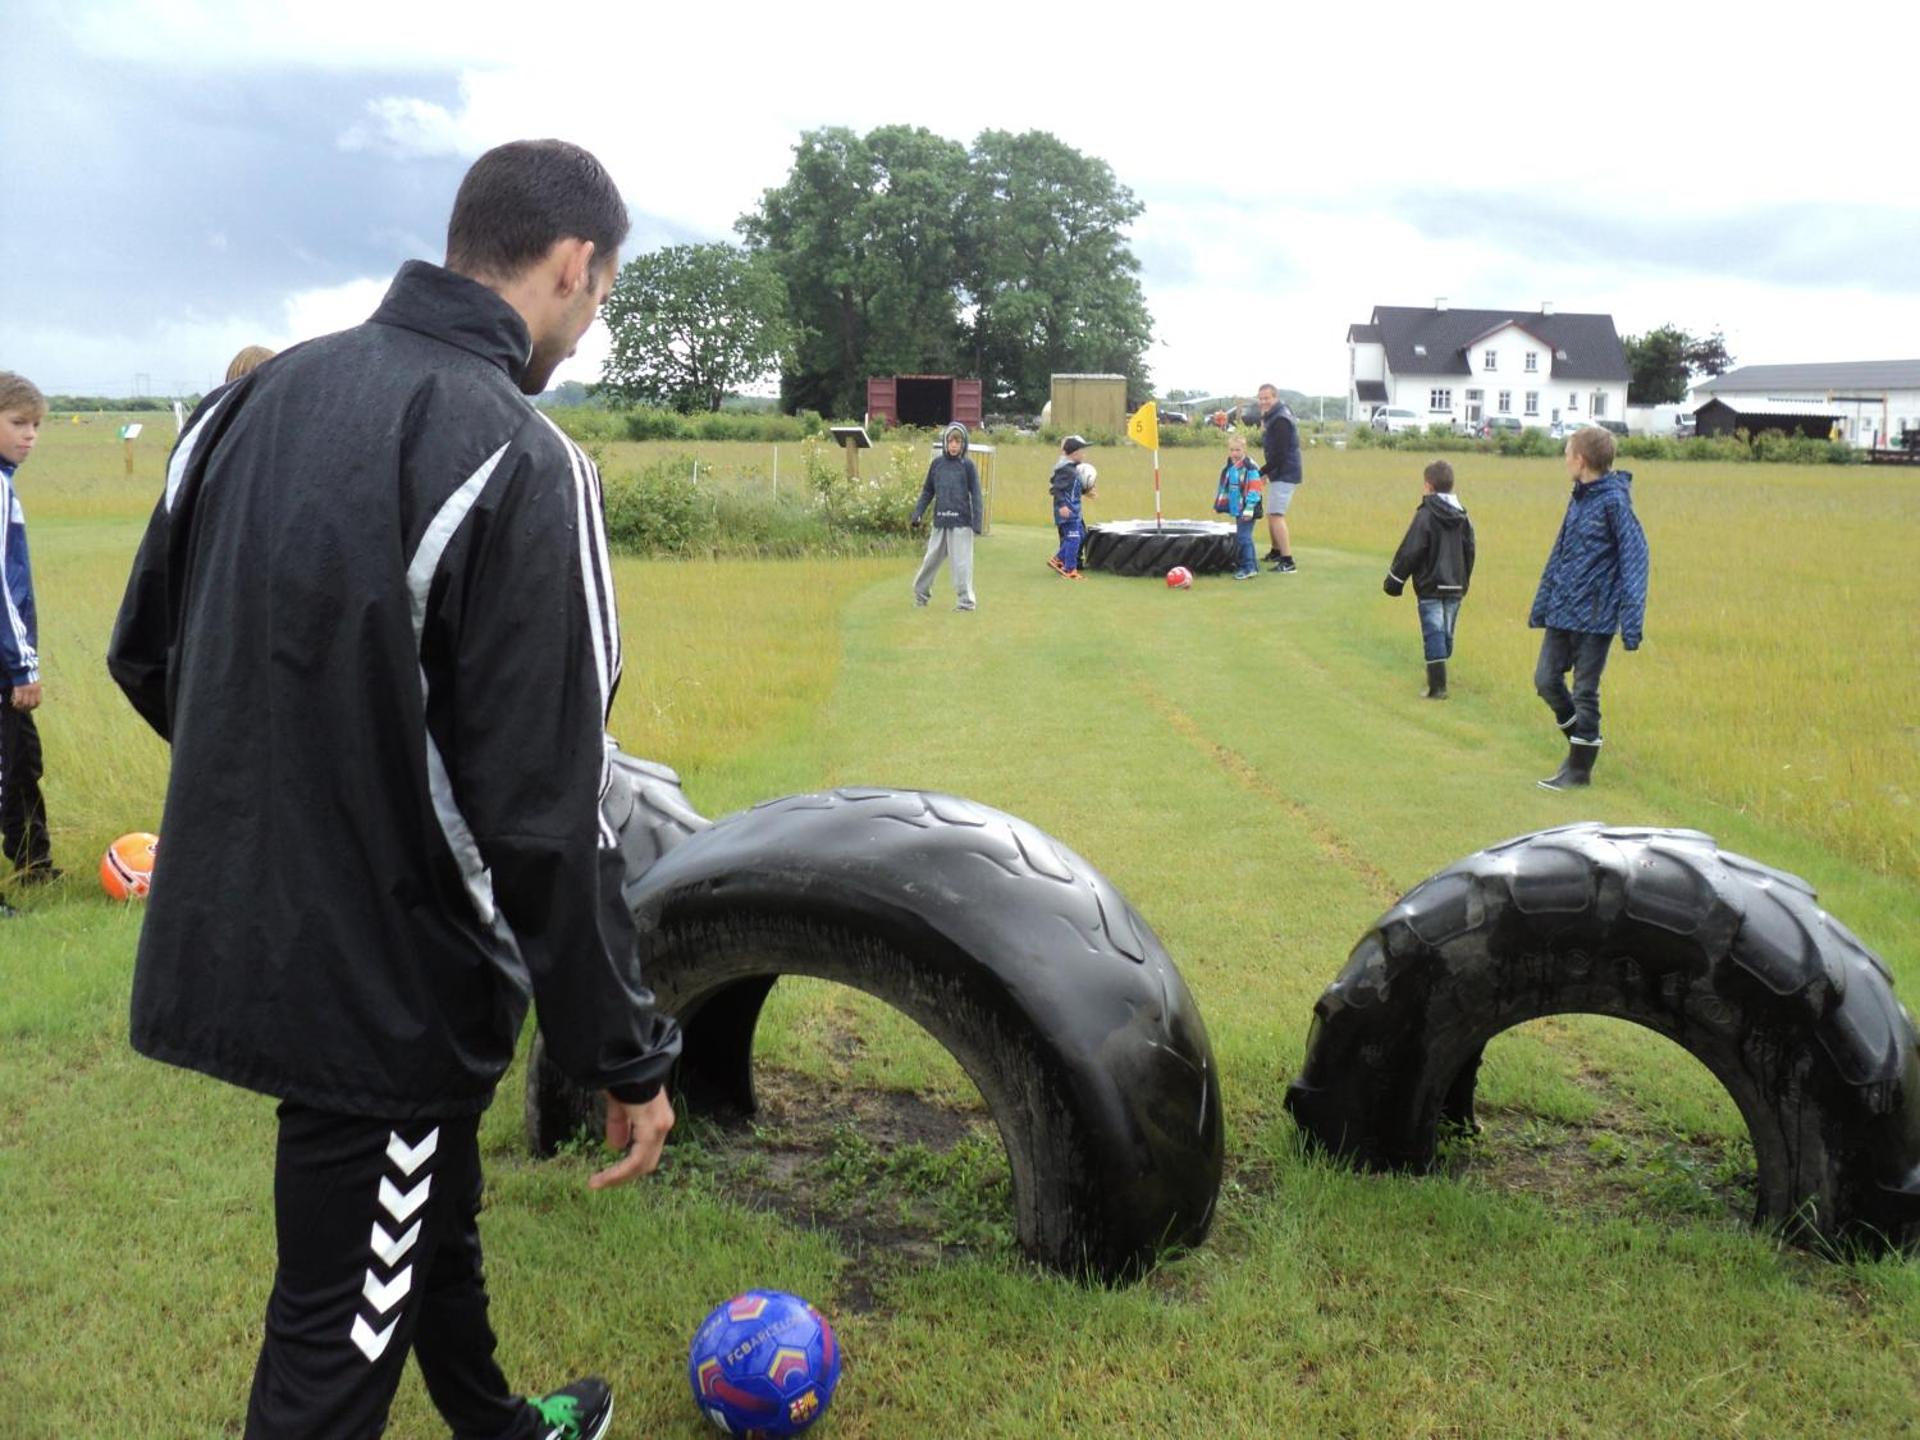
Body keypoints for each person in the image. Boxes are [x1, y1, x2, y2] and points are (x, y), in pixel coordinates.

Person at [107, 139, 680, 1440]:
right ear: (573, 265)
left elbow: (151, 654)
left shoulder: (242, 408)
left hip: (259, 939)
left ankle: (497, 1423)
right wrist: (627, 1054)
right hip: (383, 990)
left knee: (421, 1206)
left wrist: (294, 810)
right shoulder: (527, 463)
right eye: (599, 303)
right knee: (328, 1358)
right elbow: (554, 814)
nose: (588, 337)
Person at [1528, 425, 1649, 790]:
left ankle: (1579, 770)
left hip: (1596, 618)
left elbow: (1635, 558)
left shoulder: (1615, 501)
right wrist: (1543, 602)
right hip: (1562, 610)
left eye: (1567, 454)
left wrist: (1631, 621)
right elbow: (1560, 553)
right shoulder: (1578, 497)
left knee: (1585, 691)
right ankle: (1580, 745)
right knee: (1546, 680)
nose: (1564, 460)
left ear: (1580, 460)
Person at [1, 372, 55, 913]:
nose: (30, 435)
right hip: (4, 661)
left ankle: (34, 866)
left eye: (36, 425)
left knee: (21, 762)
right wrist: (24, 665)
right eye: (18, 423)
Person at [1383, 459, 1476, 699]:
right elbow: (1470, 550)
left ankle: (1438, 686)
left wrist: (1395, 579)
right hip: (1455, 584)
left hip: (1430, 585)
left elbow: (1411, 549)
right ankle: (1439, 676)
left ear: (1428, 485)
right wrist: (1464, 579)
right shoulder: (1463, 517)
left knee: (1434, 633)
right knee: (1445, 633)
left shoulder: (1425, 515)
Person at [909, 421, 983, 610]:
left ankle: (965, 602)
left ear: (963, 444)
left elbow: (976, 494)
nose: (953, 446)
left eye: (957, 442)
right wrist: (917, 513)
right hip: (940, 521)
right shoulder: (937, 465)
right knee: (930, 561)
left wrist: (977, 522)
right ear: (945, 442)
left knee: (961, 565)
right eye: (950, 441)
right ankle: (920, 596)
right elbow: (927, 491)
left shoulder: (968, 466)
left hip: (961, 523)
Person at [1255, 383, 1302, 572]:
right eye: (1261, 398)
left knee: (1276, 515)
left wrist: (1261, 472)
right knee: (1271, 513)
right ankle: (1276, 551)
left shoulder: (1280, 419)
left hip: (1285, 472)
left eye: (1267, 398)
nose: (1263, 401)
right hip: (1280, 471)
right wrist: (1267, 473)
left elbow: (1280, 453)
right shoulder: (1274, 414)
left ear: (1275, 397)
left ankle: (1287, 561)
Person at [1213, 433, 1265, 580]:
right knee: (1243, 536)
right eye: (1231, 450)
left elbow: (1255, 489)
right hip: (1237, 507)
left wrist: (1249, 509)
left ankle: (1248, 568)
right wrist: (1222, 505)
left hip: (1248, 508)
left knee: (1244, 537)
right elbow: (1228, 487)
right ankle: (1250, 564)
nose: (1234, 453)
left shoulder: (1250, 467)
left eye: (1237, 450)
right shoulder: (1231, 465)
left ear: (1244, 450)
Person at [1048, 434, 1093, 579]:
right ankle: (1070, 570)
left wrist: (1086, 492)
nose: (1084, 454)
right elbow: (1056, 489)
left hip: (1074, 511)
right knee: (1073, 538)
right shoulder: (1066, 470)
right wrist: (1062, 506)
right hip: (1067, 512)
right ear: (1074, 453)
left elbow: (1072, 488)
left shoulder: (1073, 469)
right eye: (1082, 451)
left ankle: (1057, 559)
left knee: (1080, 535)